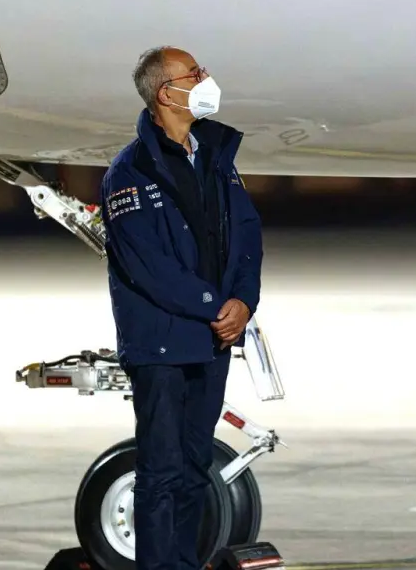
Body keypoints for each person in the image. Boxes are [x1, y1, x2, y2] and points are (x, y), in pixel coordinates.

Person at [99, 46, 262, 570]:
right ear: (167, 93)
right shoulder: (130, 172)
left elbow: (246, 236)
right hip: (164, 343)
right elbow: (150, 266)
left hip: (211, 340)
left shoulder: (214, 158)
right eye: (195, 73)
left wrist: (244, 302)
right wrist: (217, 305)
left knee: (195, 469)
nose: (207, 78)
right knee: (162, 472)